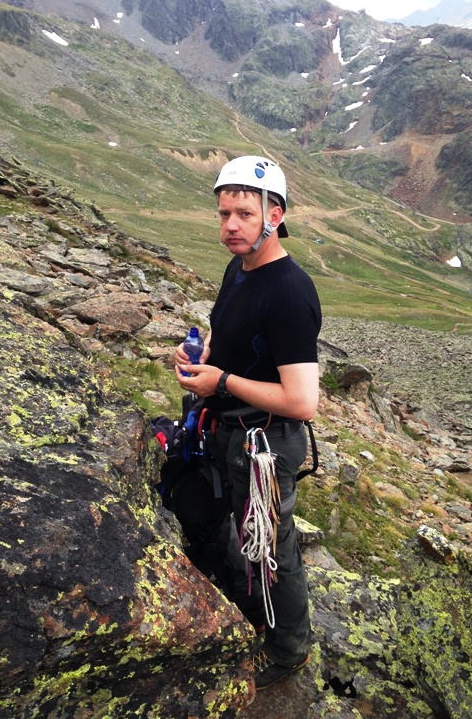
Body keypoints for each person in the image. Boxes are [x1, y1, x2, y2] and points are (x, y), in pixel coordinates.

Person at [174, 155, 322, 690]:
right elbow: (230, 340)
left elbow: (303, 401)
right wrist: (204, 355)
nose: (230, 226)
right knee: (245, 533)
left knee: (272, 547)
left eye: (243, 213)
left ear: (274, 214)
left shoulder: (288, 291)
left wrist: (222, 383)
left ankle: (288, 652)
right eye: (222, 214)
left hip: (266, 442)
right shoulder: (238, 269)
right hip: (232, 429)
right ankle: (248, 599)